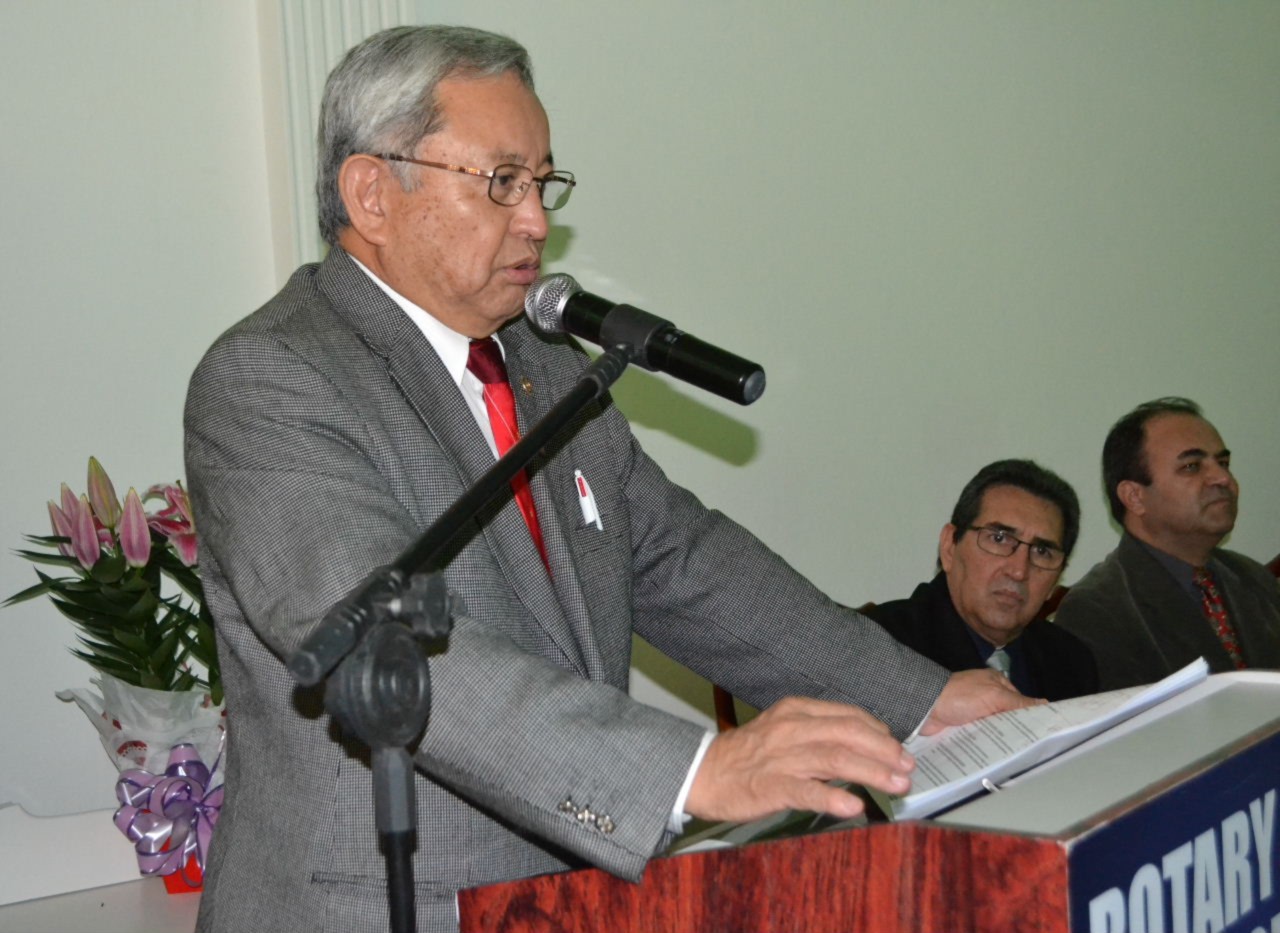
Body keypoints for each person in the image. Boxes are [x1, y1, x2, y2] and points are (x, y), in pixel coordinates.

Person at [183, 25, 1035, 932]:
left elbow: (684, 561)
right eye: (501, 181)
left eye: (543, 183)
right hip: (380, 909)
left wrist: (922, 699)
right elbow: (381, 642)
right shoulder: (274, 377)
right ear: (372, 192)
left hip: (564, 903)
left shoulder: (543, 365)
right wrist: (691, 770)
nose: (536, 221)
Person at [1055, 398, 1280, 689]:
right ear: (1135, 497)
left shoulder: (1252, 577)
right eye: (1192, 466)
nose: (1222, 478)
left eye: (1223, 463)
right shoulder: (1097, 609)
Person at [865, 460, 1097, 701]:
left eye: (1042, 551)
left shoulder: (1073, 663)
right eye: (999, 538)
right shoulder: (882, 645)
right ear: (949, 546)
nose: (1019, 571)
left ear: (1057, 577)